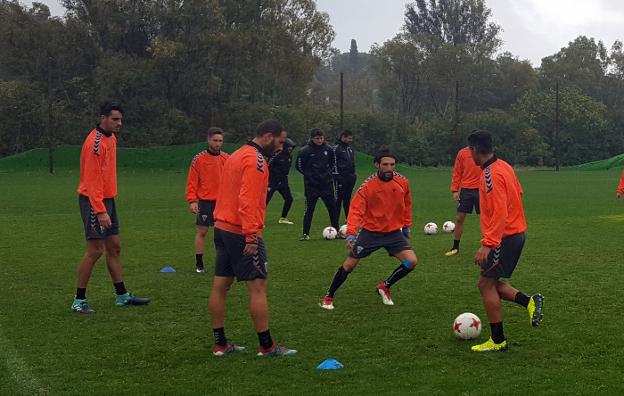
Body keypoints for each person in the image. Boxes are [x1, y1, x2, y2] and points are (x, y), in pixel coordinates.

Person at [209, 119, 297, 357]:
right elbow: (247, 201)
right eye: (279, 142)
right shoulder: (256, 161)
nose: (280, 147)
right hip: (241, 231)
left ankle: (220, 344)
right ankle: (267, 346)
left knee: (221, 285)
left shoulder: (237, 154)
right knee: (258, 286)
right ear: (268, 136)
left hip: (222, 227)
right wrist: (250, 236)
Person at [467, 130, 544, 352]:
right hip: (514, 234)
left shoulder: (490, 174)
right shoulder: (505, 167)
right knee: (489, 283)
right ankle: (529, 301)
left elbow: (500, 210)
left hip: (504, 237)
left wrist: (488, 243)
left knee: (485, 284)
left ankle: (498, 340)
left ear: (474, 150)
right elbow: (519, 193)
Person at [72, 102, 150, 314]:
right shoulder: (95, 144)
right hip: (93, 201)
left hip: (107, 200)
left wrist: (107, 204)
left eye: (121, 120)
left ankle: (122, 295)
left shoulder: (111, 138)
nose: (119, 123)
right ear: (102, 118)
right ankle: (79, 301)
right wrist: (100, 210)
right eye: (115, 119)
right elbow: (92, 180)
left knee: (114, 247)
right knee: (95, 250)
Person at [320, 152, 417, 310]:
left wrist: (406, 225)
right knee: (349, 265)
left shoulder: (402, 182)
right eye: (385, 164)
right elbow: (356, 210)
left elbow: (407, 203)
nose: (389, 168)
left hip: (393, 233)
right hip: (370, 233)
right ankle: (329, 296)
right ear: (377, 165)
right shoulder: (368, 186)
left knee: (411, 261)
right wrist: (351, 233)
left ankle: (384, 286)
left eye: (392, 165)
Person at [185, 127, 230, 273]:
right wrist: (192, 201)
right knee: (202, 232)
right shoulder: (199, 159)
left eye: (220, 141)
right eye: (215, 140)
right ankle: (199, 263)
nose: (218, 144)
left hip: (223, 202)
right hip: (206, 202)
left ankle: (223, 262)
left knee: (223, 234)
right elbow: (192, 181)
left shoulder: (226, 158)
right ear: (209, 140)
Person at [295, 128, 340, 241]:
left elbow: (333, 163)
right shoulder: (305, 150)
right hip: (312, 186)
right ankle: (305, 234)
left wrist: (326, 175)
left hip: (326, 185)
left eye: (321, 138)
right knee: (309, 210)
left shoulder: (329, 149)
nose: (319, 140)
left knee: (333, 208)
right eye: (317, 138)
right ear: (312, 138)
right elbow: (299, 166)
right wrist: (309, 176)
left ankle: (337, 231)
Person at [446, 137, 483, 256]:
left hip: (481, 190)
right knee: (459, 218)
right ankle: (455, 247)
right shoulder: (462, 153)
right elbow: (457, 172)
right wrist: (455, 190)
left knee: (486, 219)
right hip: (466, 190)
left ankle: (489, 245)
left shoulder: (483, 152)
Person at [266, 137, 296, 225]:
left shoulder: (290, 157)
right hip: (272, 181)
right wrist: (268, 180)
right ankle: (257, 219)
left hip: (283, 182)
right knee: (265, 201)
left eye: (291, 148)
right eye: (289, 148)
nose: (290, 149)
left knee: (289, 199)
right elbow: (267, 166)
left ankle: (283, 218)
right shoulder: (276, 155)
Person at [333, 130, 356, 222]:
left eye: (351, 138)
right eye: (349, 138)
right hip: (340, 177)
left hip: (350, 177)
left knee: (347, 198)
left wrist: (353, 175)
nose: (350, 140)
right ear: (343, 137)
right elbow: (333, 163)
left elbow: (352, 163)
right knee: (339, 198)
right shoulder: (336, 149)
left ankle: (348, 218)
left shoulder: (350, 149)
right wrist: (336, 175)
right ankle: (335, 219)